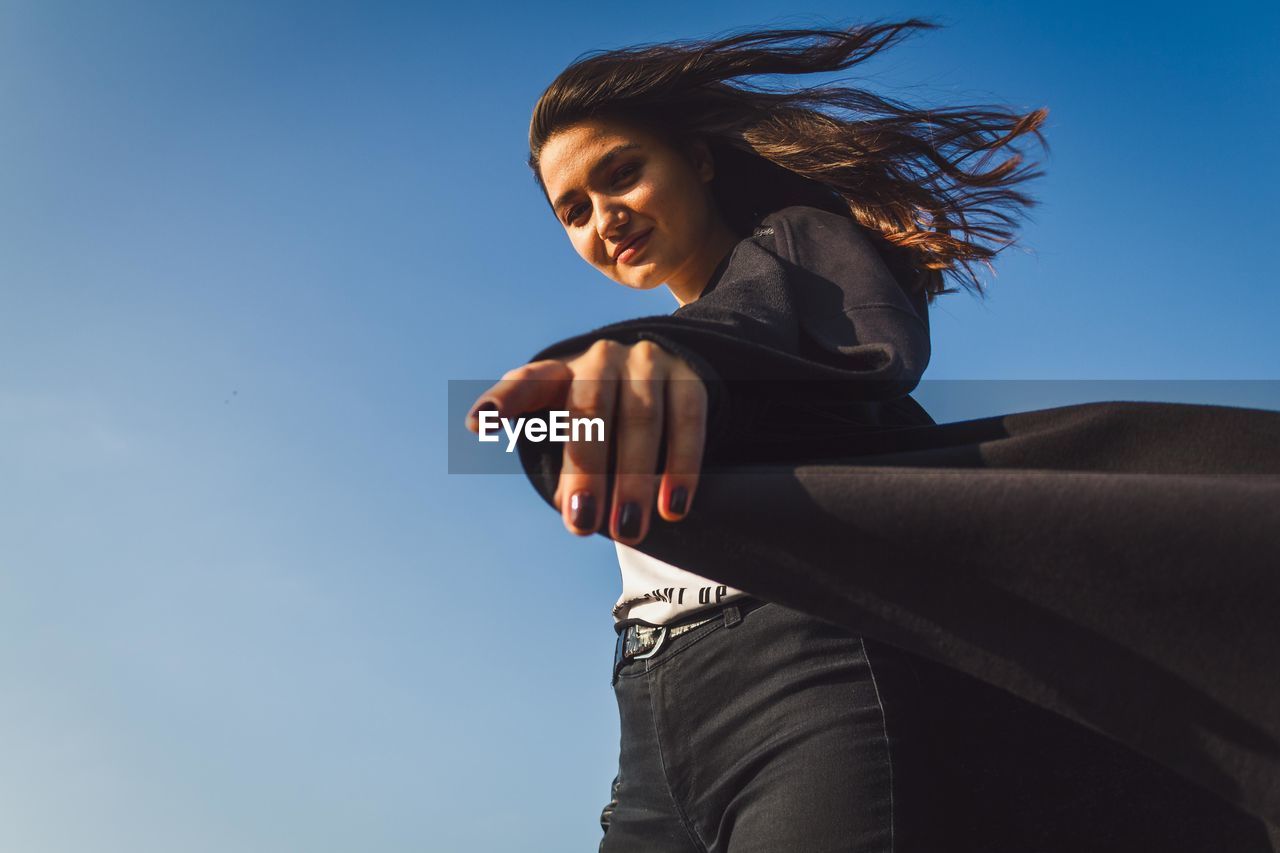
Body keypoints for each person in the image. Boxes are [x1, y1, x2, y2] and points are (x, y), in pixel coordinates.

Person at [465, 21, 1280, 851]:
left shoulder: (795, 260)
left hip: (807, 681)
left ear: (698, 161)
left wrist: (678, 358)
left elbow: (798, 339)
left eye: (623, 173)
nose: (606, 217)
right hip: (648, 719)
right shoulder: (652, 357)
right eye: (574, 210)